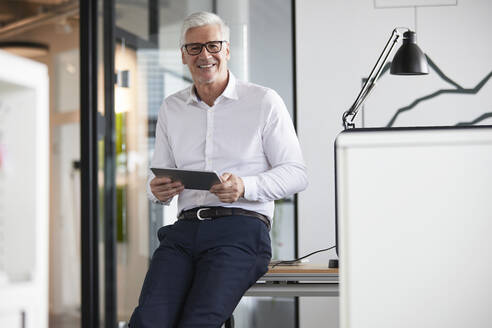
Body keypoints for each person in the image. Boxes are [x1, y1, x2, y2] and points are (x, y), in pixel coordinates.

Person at [129, 11, 308, 328]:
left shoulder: (264, 101)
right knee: (148, 321)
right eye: (194, 48)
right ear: (183, 55)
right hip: (183, 231)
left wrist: (245, 186)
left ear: (227, 50)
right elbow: (159, 176)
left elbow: (296, 173)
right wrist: (154, 189)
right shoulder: (172, 107)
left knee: (198, 322)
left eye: (213, 45)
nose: (204, 55)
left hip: (240, 230)